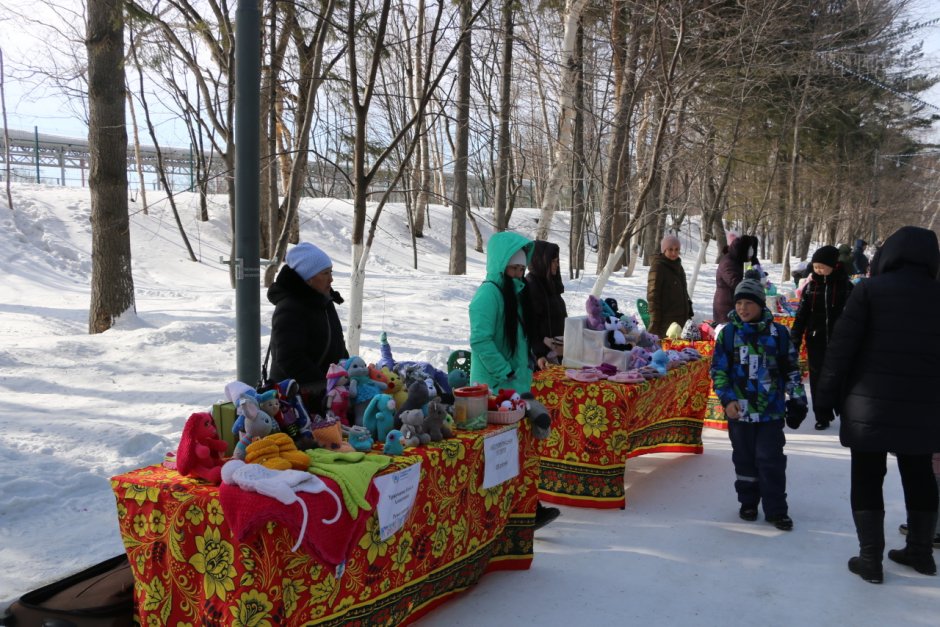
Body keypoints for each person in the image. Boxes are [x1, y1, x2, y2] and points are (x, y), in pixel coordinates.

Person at [816, 226, 940, 584]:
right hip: (924, 409)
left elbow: (841, 348)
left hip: (868, 408)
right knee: (920, 476)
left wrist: (824, 397)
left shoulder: (869, 290)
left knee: (868, 476)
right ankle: (920, 553)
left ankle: (870, 559)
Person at [469, 231, 560, 530]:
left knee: (520, 454)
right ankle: (506, 516)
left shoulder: (513, 294)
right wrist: (505, 373)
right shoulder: (488, 295)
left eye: (522, 270)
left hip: (516, 386)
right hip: (495, 390)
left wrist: (526, 365)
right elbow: (481, 341)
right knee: (499, 459)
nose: (519, 275)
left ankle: (525, 510)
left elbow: (518, 339)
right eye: (514, 269)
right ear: (500, 266)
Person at [710, 279, 807, 531]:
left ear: (760, 304)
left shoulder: (779, 334)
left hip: (770, 412)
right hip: (739, 412)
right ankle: (748, 502)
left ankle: (776, 509)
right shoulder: (728, 334)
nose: (742, 308)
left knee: (770, 459)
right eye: (739, 303)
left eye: (748, 303)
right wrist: (727, 399)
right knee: (744, 460)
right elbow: (719, 371)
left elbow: (791, 370)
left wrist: (797, 400)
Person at [267, 242, 349, 413]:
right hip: (295, 401)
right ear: (308, 277)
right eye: (325, 273)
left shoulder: (324, 301)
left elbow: (336, 344)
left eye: (331, 272)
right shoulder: (289, 308)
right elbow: (289, 358)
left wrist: (348, 369)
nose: (331, 279)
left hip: (326, 395)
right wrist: (324, 385)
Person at [788, 245, 853, 431]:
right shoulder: (810, 287)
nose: (818, 270)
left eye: (822, 266)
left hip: (839, 341)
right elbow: (801, 315)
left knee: (840, 377)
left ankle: (845, 412)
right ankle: (821, 415)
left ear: (833, 265)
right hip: (816, 339)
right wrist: (796, 337)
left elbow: (854, 315)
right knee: (818, 379)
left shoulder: (845, 286)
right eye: (816, 267)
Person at [525, 240, 568, 369]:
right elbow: (531, 324)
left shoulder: (551, 284)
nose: (556, 265)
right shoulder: (532, 285)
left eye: (557, 262)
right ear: (542, 261)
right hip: (543, 358)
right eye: (553, 262)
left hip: (557, 352)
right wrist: (539, 354)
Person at [647, 233, 693, 338]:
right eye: (670, 249)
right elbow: (653, 296)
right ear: (664, 250)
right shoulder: (658, 267)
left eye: (677, 249)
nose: (674, 252)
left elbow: (684, 292)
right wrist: (655, 321)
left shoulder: (679, 267)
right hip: (665, 322)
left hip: (681, 320)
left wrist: (689, 311)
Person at [712, 234, 753, 323]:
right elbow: (735, 282)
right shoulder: (728, 262)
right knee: (729, 333)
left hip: (734, 303)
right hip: (726, 307)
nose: (751, 253)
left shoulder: (738, 260)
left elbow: (746, 276)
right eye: (749, 250)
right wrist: (751, 284)